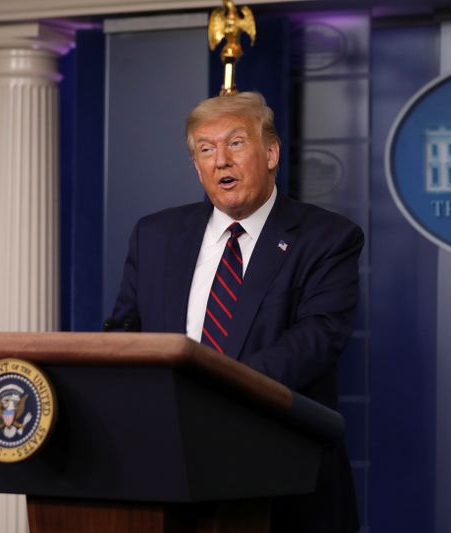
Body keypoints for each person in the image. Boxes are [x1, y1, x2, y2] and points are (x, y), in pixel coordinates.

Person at [108, 91, 362, 533]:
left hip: (282, 473)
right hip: (169, 468)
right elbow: (126, 328)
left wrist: (213, 393)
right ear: (196, 166)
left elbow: (317, 338)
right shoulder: (155, 235)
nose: (220, 160)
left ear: (270, 153)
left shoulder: (326, 238)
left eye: (236, 143)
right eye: (205, 150)